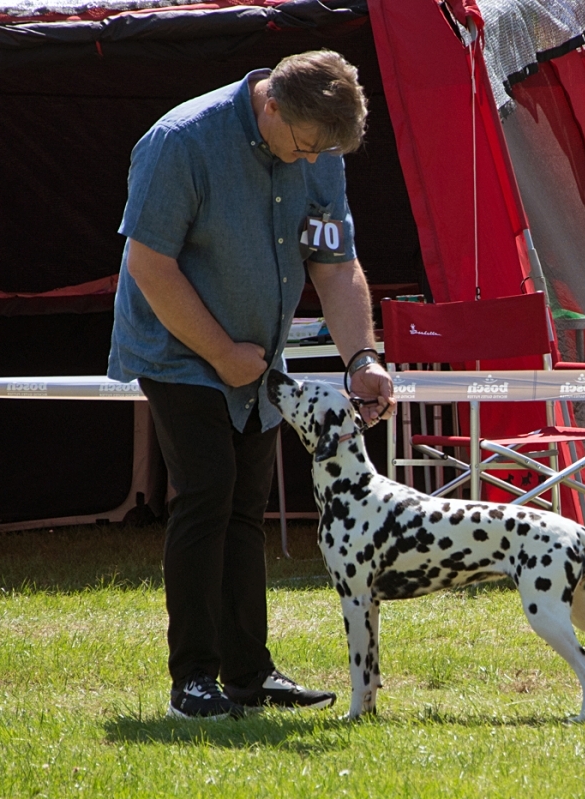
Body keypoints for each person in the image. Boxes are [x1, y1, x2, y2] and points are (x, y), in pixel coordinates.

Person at [108, 50, 395, 718]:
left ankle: (249, 675)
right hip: (177, 352)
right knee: (207, 492)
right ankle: (192, 682)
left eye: (320, 152)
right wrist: (220, 351)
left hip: (258, 364)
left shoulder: (319, 150)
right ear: (270, 104)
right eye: (301, 147)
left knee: (246, 506)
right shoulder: (181, 141)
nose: (309, 162)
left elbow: (333, 264)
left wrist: (363, 359)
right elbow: (148, 264)